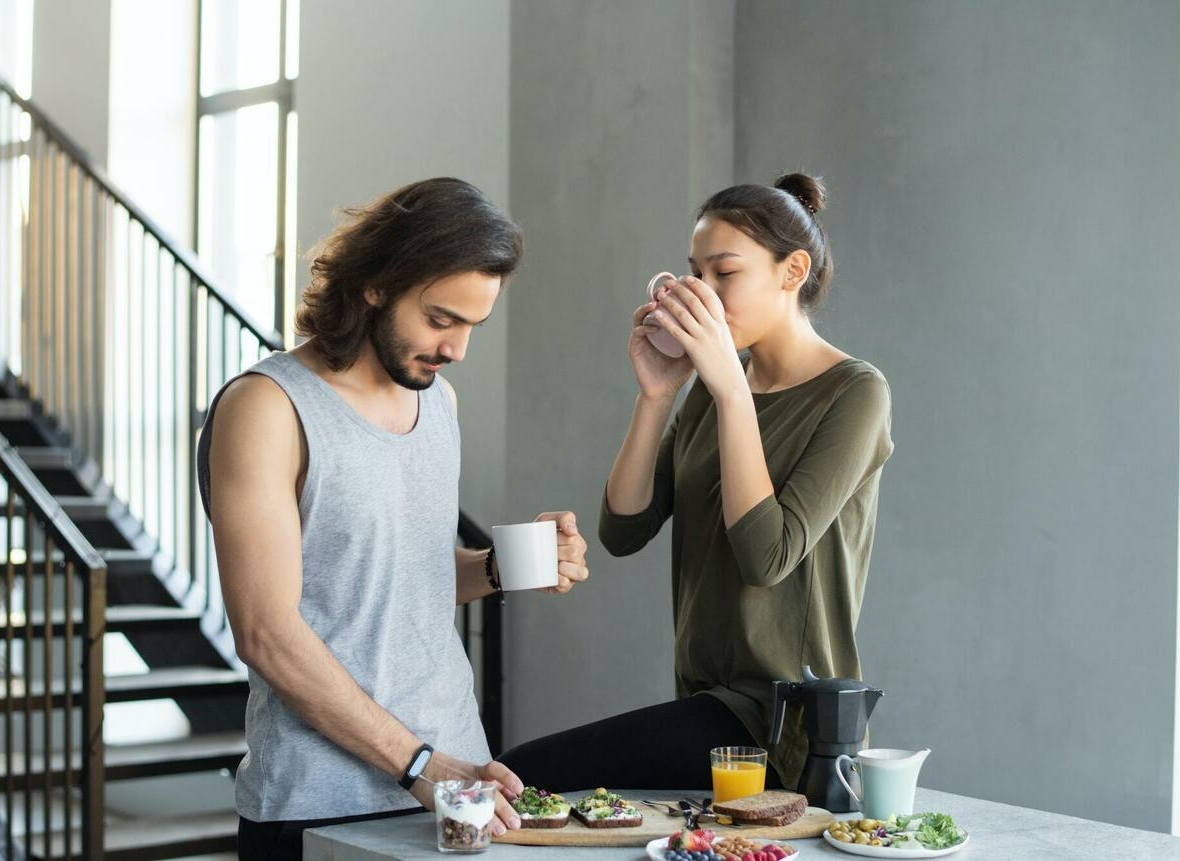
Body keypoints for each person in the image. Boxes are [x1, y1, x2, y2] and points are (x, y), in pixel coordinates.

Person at [198, 177, 591, 861]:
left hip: (458, 790)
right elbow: (266, 630)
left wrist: (503, 568)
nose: (457, 349)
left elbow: (397, 576)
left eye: (472, 325)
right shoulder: (266, 408)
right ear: (377, 283)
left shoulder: (439, 404)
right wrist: (419, 764)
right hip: (320, 801)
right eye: (441, 319)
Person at [499, 174, 892, 795]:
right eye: (694, 273)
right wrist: (657, 396)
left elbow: (767, 555)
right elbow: (623, 530)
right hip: (706, 701)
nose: (701, 293)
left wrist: (731, 390)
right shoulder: (714, 386)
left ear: (793, 271)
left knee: (522, 777)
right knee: (528, 787)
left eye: (724, 273)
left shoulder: (854, 393)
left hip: (785, 721)